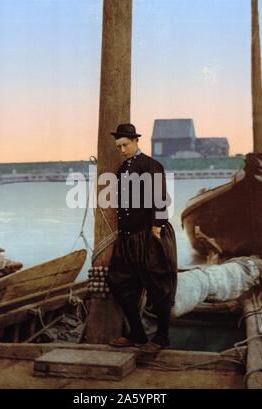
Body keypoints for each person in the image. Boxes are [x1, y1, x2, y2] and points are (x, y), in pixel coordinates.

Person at [108, 123, 177, 353]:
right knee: (116, 281)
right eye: (119, 146)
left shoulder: (150, 165)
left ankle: (162, 337)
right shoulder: (123, 168)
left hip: (148, 236)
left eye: (125, 145)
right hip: (127, 238)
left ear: (136, 141)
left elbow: (160, 197)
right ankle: (137, 333)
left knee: (158, 285)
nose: (122, 150)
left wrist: (157, 227)